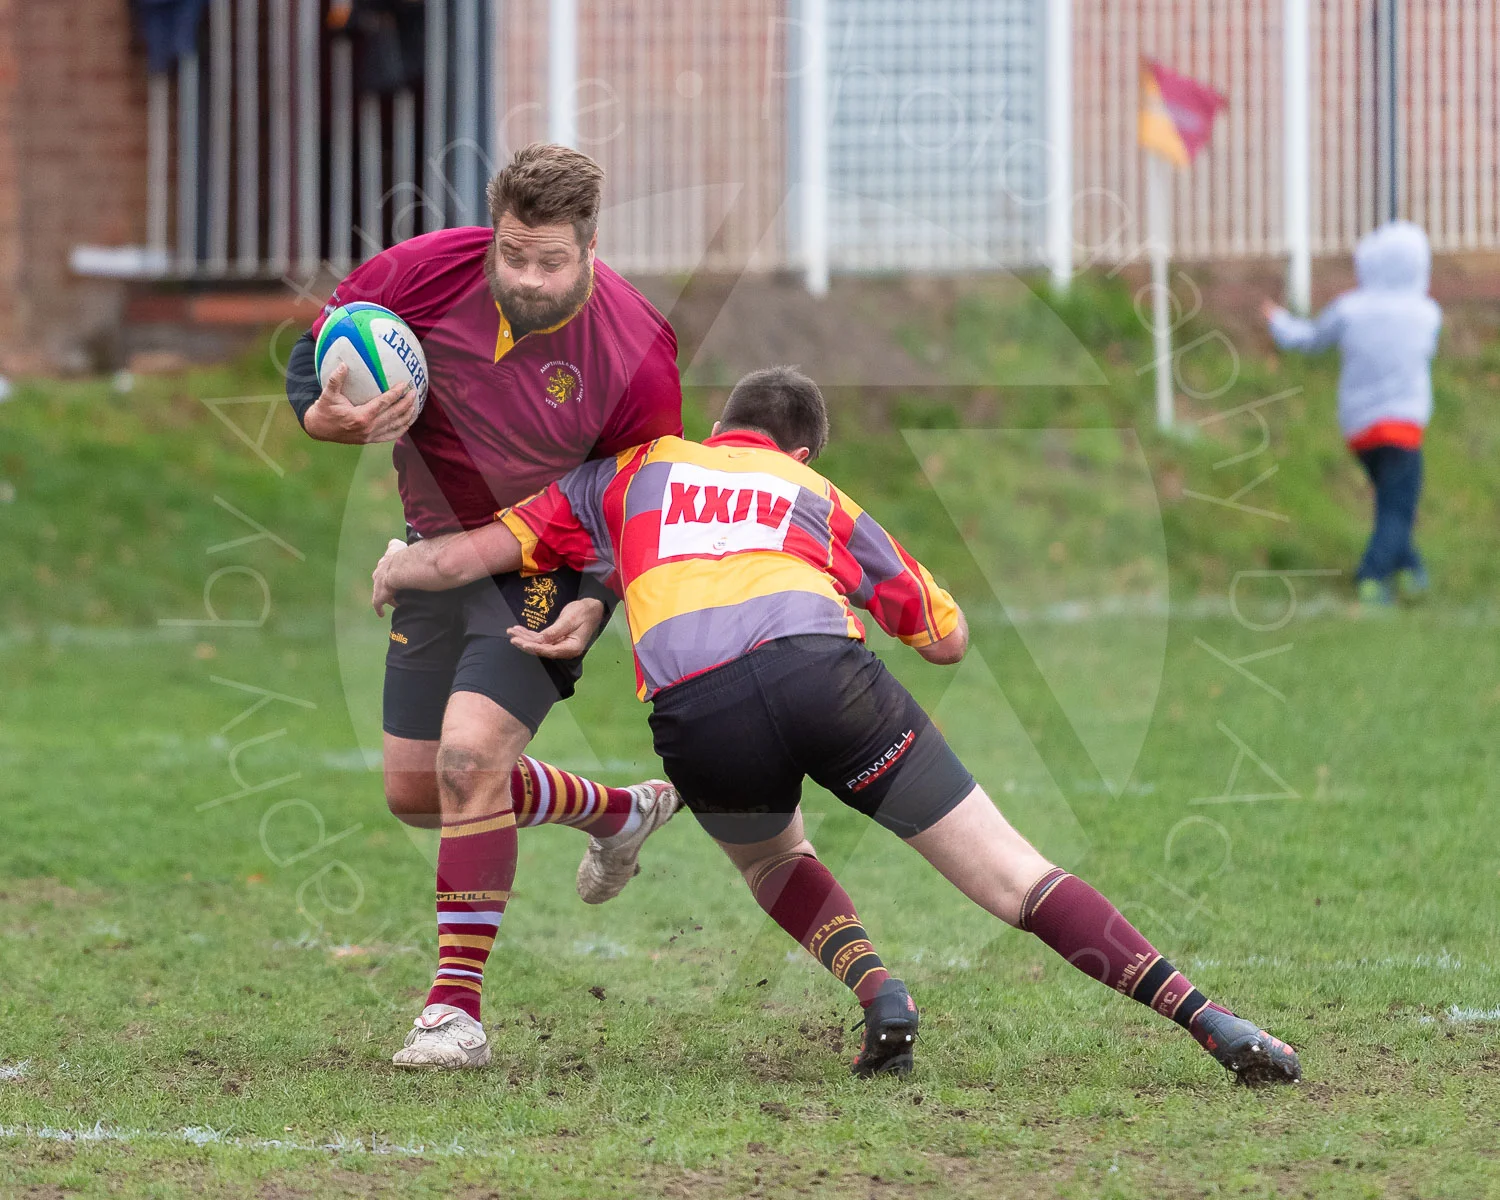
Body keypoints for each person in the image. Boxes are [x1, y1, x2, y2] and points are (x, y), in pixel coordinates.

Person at [370, 367, 1304, 1086]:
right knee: (1020, 879)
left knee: (777, 860)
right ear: (802, 451)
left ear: (719, 427)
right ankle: (1212, 1021)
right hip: (829, 680)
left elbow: (475, 554)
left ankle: (877, 991)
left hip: (697, 715)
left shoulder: (629, 474)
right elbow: (946, 639)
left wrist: (401, 569)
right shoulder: (817, 498)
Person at [284, 143, 687, 1069]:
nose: (527, 277)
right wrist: (322, 415)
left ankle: (453, 1010)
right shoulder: (422, 273)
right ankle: (616, 812)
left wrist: (598, 601)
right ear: (493, 233)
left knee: (473, 759)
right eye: (513, 255)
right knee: (417, 793)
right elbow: (319, 351)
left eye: (550, 261)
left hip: (546, 561)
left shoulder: (636, 349)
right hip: (431, 555)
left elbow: (645, 497)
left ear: (589, 246)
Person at [1263, 220, 1442, 606]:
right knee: (1399, 506)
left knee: (1392, 501)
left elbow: (1310, 338)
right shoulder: (1426, 314)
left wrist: (1278, 321)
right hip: (1403, 428)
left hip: (1360, 430)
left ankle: (1412, 570)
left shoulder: (1350, 310)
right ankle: (1373, 576)